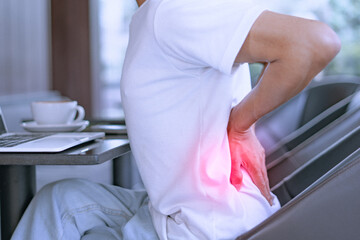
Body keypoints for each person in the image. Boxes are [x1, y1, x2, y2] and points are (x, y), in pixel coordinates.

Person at [12, 0, 340, 239]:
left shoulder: (173, 12)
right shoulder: (160, 14)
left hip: (200, 227)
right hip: (199, 209)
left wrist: (240, 126)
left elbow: (313, 43)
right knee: (59, 198)